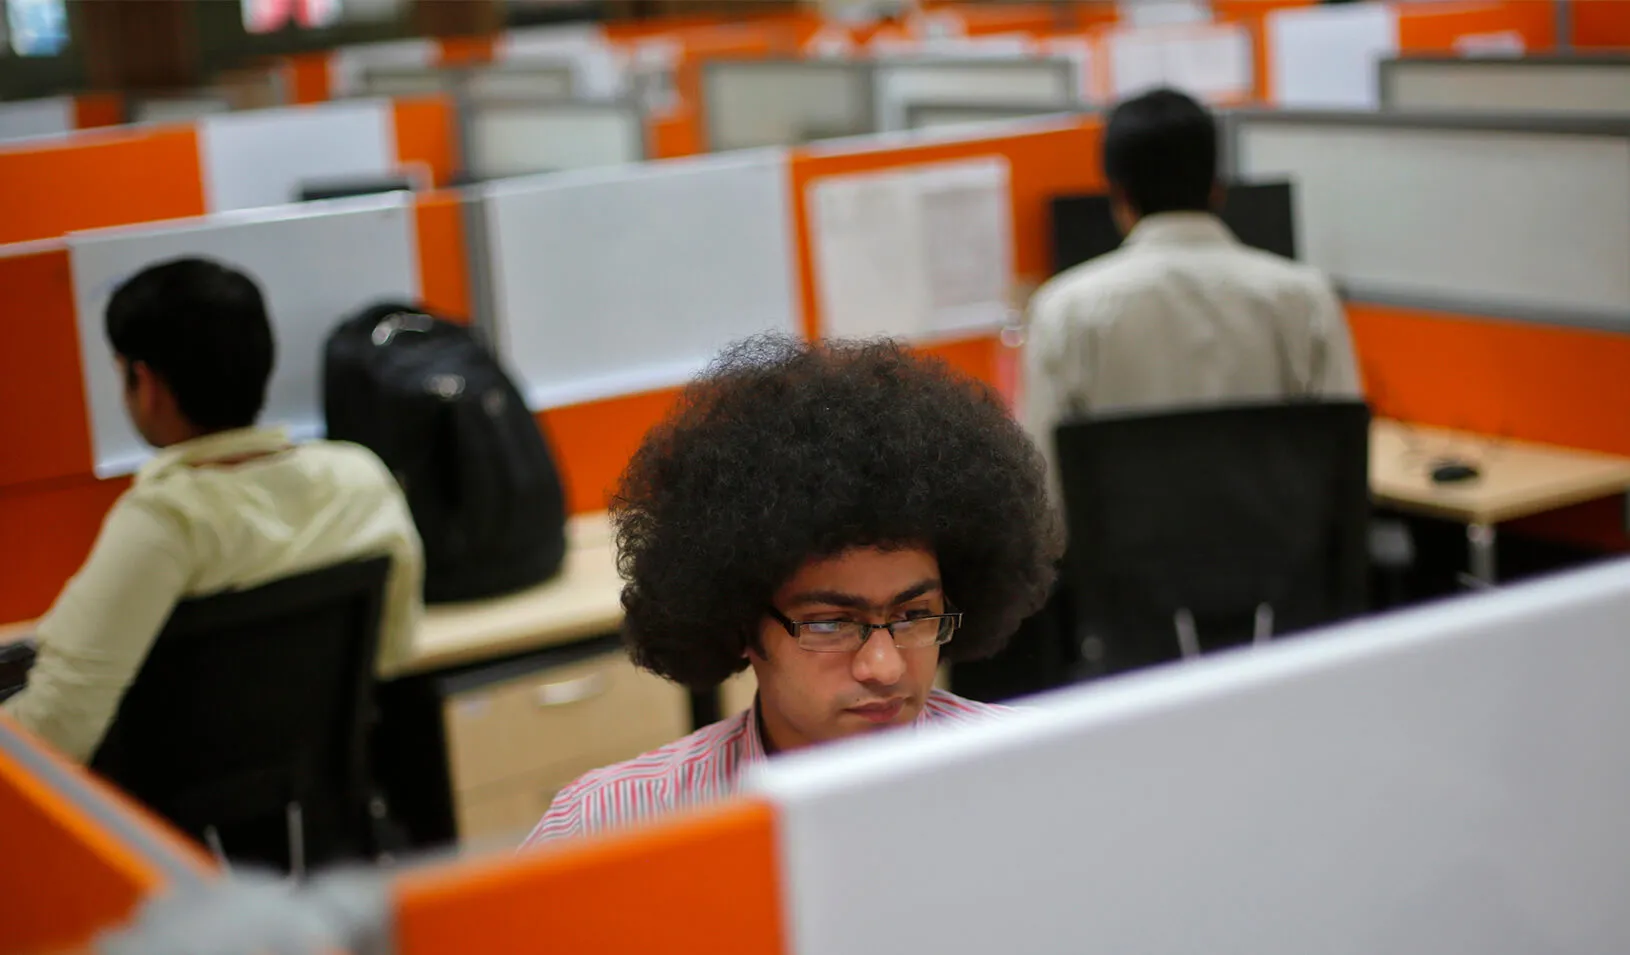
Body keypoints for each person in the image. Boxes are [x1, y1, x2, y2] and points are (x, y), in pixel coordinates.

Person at [525, 336, 1061, 843]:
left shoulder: (1048, 777)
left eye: (914, 615)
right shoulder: (610, 828)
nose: (885, 668)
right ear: (739, 624)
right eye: (830, 624)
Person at [2, 257, 423, 762]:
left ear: (147, 384)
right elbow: (392, 654)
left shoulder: (167, 520)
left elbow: (51, 734)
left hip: (164, 834)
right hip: (309, 809)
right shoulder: (358, 478)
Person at [1023, 87, 1363, 496]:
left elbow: (1042, 494)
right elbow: (1343, 468)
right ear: (1216, 187)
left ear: (1119, 194)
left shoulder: (1064, 311)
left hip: (1124, 560)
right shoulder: (1306, 298)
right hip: (1273, 557)